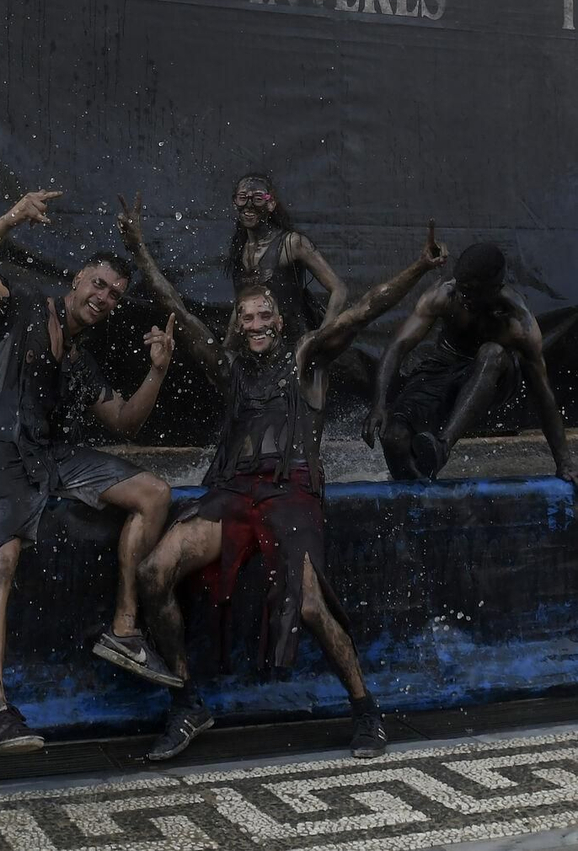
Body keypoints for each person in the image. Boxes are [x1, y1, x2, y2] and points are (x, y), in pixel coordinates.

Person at [117, 193, 448, 762]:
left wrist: (419, 267)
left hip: (290, 494)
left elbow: (364, 308)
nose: (256, 323)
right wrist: (140, 249)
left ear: (280, 316)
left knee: (312, 607)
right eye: (245, 317)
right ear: (238, 325)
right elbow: (177, 305)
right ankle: (187, 702)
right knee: (154, 570)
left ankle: (366, 710)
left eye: (264, 313)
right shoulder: (230, 369)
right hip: (231, 496)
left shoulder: (308, 360)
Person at [0, 189, 180, 754]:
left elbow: (123, 420)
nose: (105, 297)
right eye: (98, 284)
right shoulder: (19, 305)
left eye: (116, 295)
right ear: (76, 281)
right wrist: (9, 218)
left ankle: (123, 631)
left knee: (153, 493)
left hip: (43, 458)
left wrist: (158, 371)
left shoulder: (79, 360)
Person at [363, 243, 576, 485]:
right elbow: (398, 346)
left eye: (472, 292)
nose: (464, 298)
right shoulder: (444, 295)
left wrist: (564, 462)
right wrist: (379, 403)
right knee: (394, 437)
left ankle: (443, 446)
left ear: (495, 289)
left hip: (495, 378)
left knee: (491, 352)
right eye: (462, 289)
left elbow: (542, 393)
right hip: (443, 369)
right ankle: (419, 492)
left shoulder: (518, 322)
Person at [227, 173, 347, 343]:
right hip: (257, 344)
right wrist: (226, 350)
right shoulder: (240, 249)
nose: (249, 205)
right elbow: (239, 306)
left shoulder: (291, 244)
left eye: (258, 198)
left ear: (271, 204)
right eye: (242, 198)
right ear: (235, 203)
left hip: (293, 344)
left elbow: (339, 290)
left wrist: (320, 340)